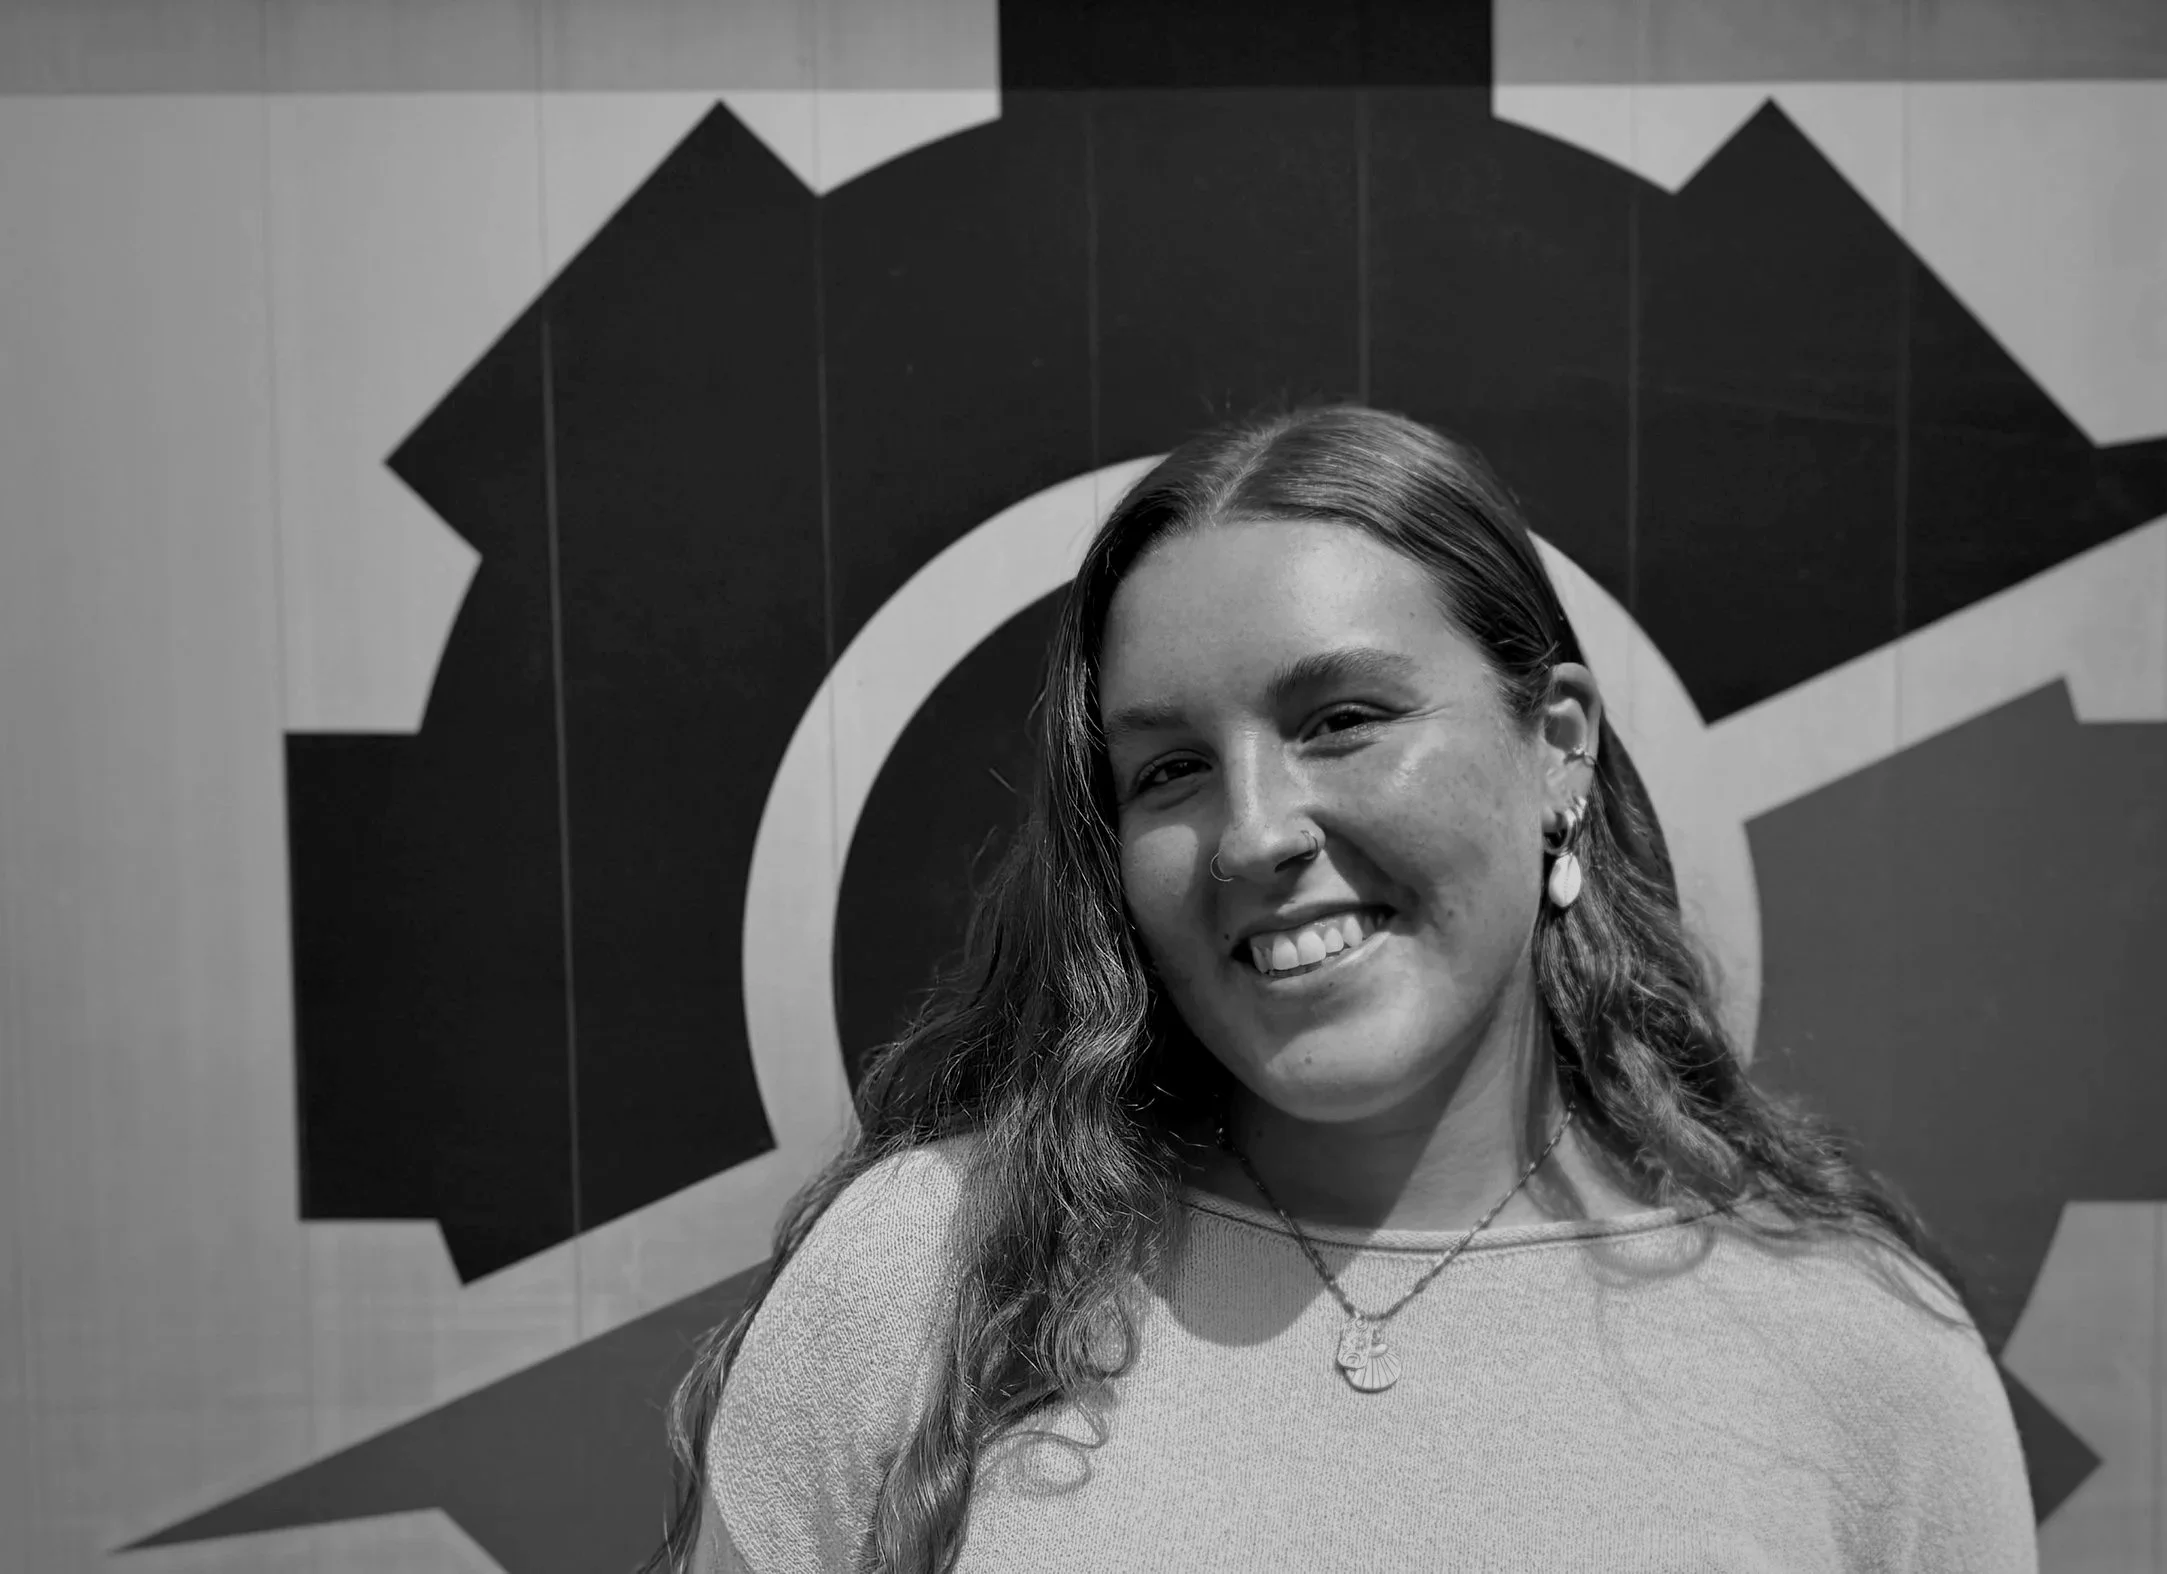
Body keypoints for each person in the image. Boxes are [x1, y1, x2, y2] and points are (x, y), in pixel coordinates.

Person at [649, 405, 2037, 1573]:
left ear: (1555, 745)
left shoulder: (1862, 1363)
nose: (1255, 831)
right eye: (1170, 768)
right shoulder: (923, 1283)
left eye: (1342, 721)